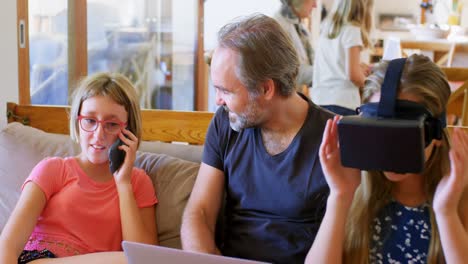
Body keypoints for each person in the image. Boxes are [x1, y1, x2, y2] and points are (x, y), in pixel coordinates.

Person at [180, 14, 333, 264]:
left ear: (265, 89)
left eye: (225, 90)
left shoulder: (331, 138)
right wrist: (206, 259)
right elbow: (199, 212)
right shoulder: (225, 123)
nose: (218, 100)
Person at [306, 54, 468, 263]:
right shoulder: (353, 193)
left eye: (403, 134)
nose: (392, 149)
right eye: (381, 132)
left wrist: (446, 213)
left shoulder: (458, 196)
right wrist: (340, 195)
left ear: (435, 134)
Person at [0, 73, 158, 264]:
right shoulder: (53, 169)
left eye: (112, 124)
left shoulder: (138, 183)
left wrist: (123, 184)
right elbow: (7, 246)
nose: (98, 135)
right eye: (90, 121)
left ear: (129, 130)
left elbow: (144, 258)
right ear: (77, 122)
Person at [311, 0, 373, 115]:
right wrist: (374, 86)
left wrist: (359, 67)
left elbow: (336, 65)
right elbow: (353, 75)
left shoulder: (327, 27)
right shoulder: (352, 29)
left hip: (319, 99)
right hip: (342, 102)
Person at [273, 0, 317, 91]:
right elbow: (292, 73)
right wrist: (328, 72)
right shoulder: (279, 28)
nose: (315, 5)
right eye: (313, 1)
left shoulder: (297, 24)